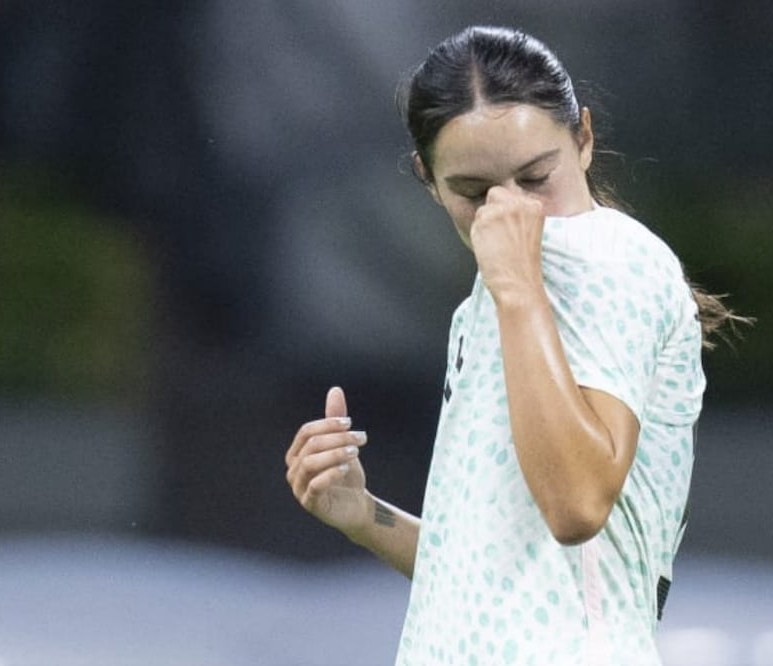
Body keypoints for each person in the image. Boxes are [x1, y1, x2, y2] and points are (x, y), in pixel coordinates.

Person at [284, 25, 745, 666]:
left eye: (534, 178)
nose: (510, 212)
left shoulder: (610, 257)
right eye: (473, 193)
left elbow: (577, 505)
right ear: (428, 178)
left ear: (582, 139)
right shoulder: (486, 306)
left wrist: (519, 290)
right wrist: (365, 516)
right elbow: (491, 583)